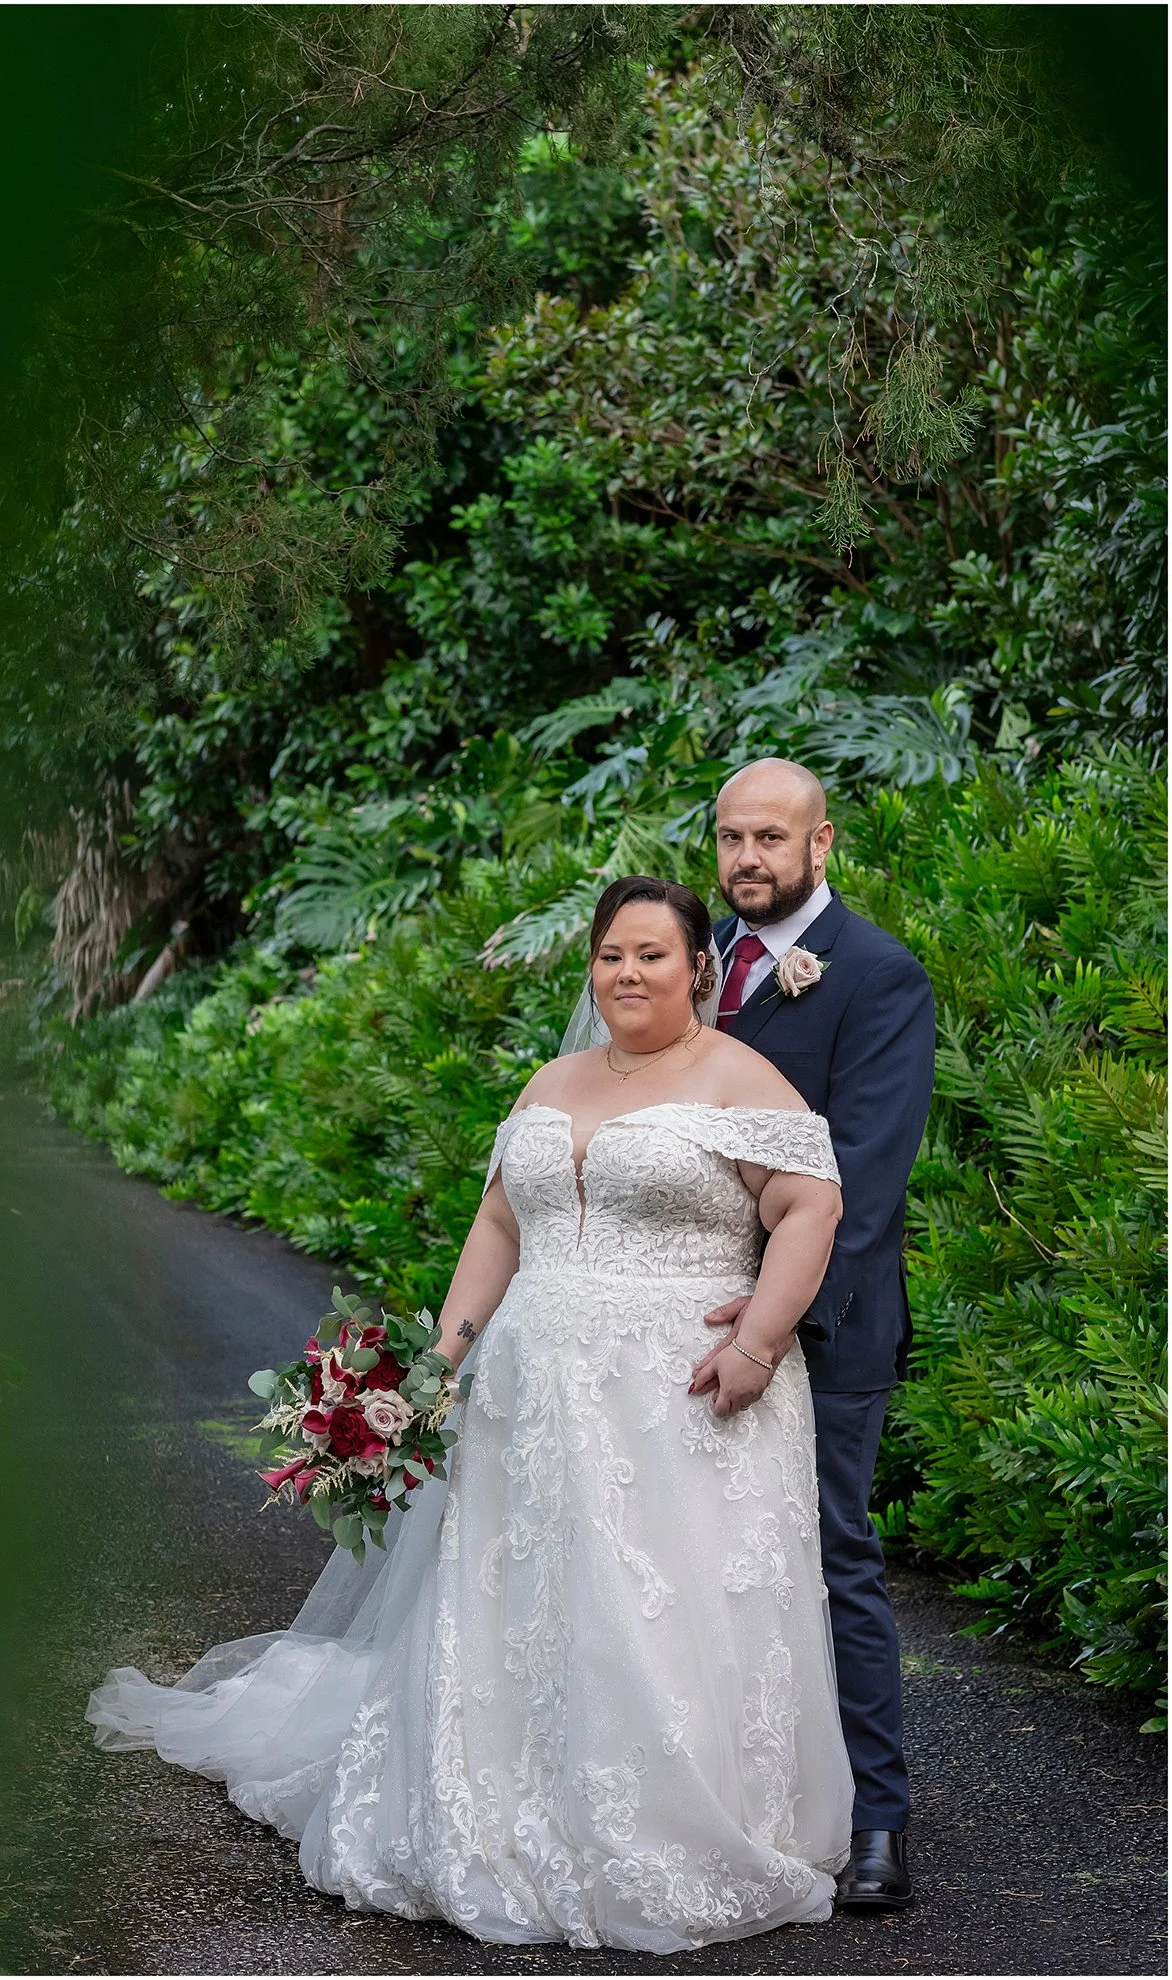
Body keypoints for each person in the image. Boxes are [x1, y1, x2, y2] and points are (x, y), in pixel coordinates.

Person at [89, 876, 857, 1952]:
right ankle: (496, 1808)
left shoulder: (740, 1079)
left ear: (699, 968)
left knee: (655, 1601)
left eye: (651, 954)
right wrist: (440, 1361)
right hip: (530, 1384)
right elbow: (499, 1223)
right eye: (610, 956)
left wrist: (758, 1342)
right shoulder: (552, 1080)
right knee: (526, 1590)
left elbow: (808, 1207)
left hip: (676, 1394)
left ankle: (666, 1822)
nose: (628, 974)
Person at [693, 758, 936, 1911]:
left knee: (835, 1561)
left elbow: (867, 1182)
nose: (748, 859)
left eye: (771, 840)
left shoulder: (878, 976)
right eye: (732, 838)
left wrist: (774, 1321)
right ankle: (729, 1800)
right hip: (680, 1313)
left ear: (820, 844)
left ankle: (877, 1820)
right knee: (697, 1564)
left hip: (826, 1327)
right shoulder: (691, 969)